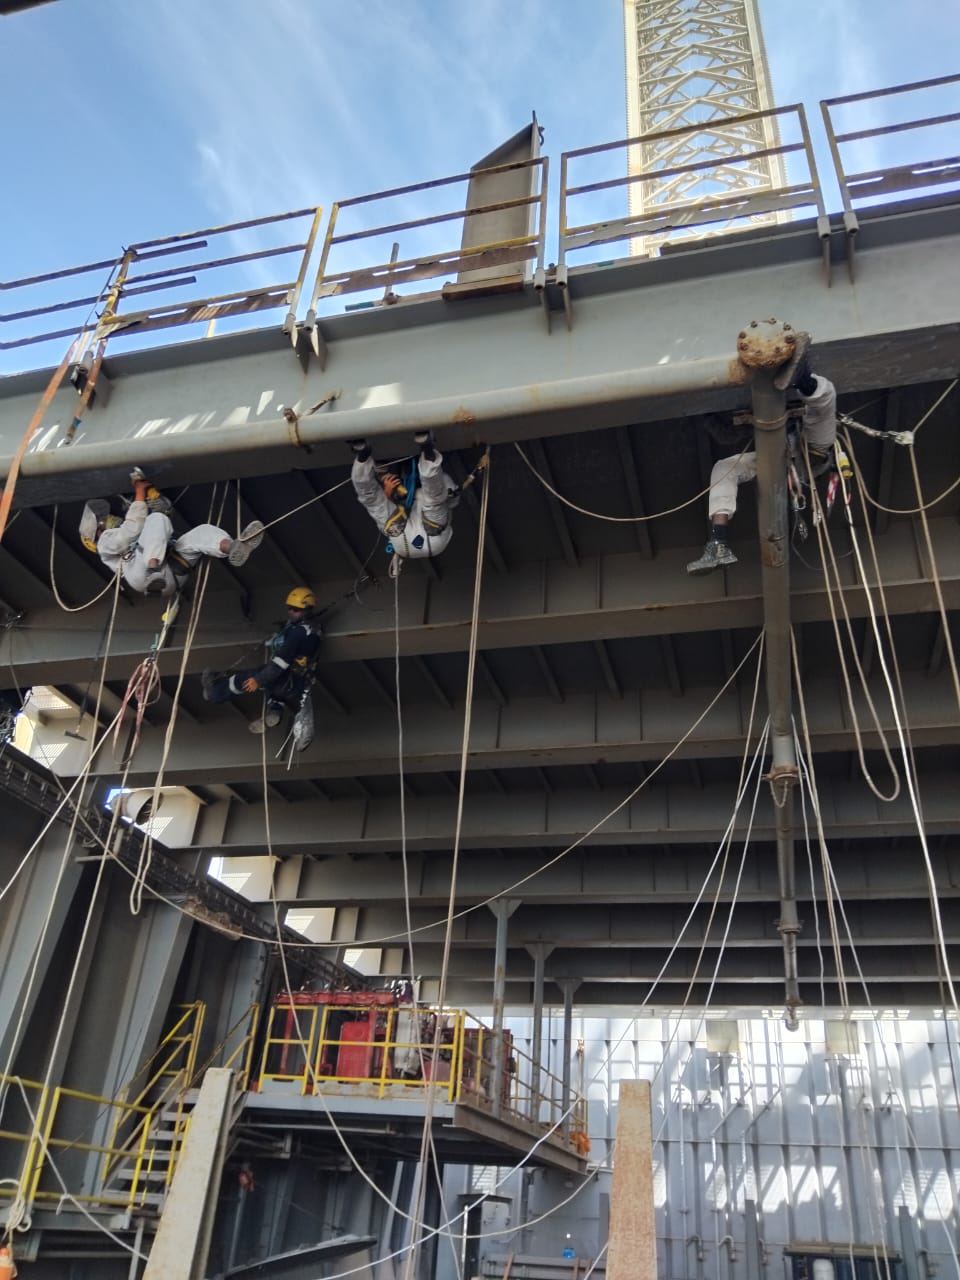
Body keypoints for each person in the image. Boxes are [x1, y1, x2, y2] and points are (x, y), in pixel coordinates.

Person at [686, 348, 838, 576]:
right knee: (725, 468)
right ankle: (719, 543)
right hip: (778, 451)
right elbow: (727, 435)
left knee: (824, 407)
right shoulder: (756, 414)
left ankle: (804, 379)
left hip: (808, 454)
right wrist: (704, 411)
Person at [79, 470, 264, 597]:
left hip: (171, 573)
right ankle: (154, 571)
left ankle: (232, 547)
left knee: (200, 533)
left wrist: (155, 505)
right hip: (144, 572)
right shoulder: (104, 543)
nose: (108, 519)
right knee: (157, 519)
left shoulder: (139, 541)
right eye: (103, 521)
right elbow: (129, 532)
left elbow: (150, 532)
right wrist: (140, 492)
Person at [202, 587, 322, 733]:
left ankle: (214, 693)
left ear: (307, 610)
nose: (290, 611)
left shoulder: (298, 634)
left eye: (295, 609)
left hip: (283, 678)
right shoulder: (314, 628)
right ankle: (274, 712)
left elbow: (279, 665)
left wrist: (258, 680)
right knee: (276, 695)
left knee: (242, 680)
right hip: (297, 683)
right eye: (289, 608)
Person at [348, 431, 461, 570]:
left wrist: (388, 493)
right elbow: (448, 499)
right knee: (433, 499)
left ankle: (427, 448)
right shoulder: (445, 483)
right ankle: (363, 456)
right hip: (416, 541)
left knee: (433, 499)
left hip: (412, 541)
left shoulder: (411, 492)